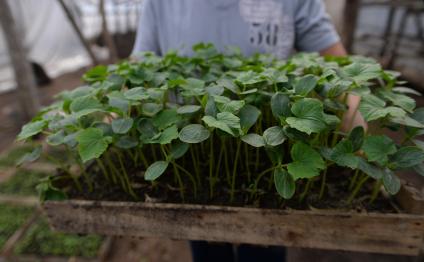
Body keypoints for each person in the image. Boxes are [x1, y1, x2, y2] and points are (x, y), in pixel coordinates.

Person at [132, 0, 365, 261]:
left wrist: (358, 133)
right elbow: (137, 70)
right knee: (206, 245)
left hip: (272, 153)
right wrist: (112, 115)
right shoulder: (160, 4)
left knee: (265, 248)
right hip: (191, 157)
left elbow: (337, 67)